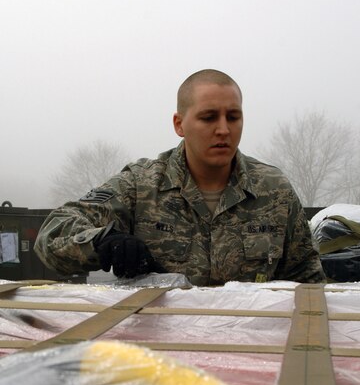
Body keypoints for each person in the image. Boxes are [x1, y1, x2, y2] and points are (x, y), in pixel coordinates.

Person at [35, 69, 325, 286]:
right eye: (209, 117)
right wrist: (101, 242)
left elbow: (308, 279)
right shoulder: (141, 185)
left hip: (251, 351)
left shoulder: (273, 190)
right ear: (179, 124)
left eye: (233, 117)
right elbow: (52, 234)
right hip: (162, 354)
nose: (223, 129)